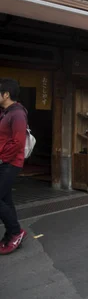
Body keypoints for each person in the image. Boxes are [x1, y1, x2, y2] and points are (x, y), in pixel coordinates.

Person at [0, 79, 28, 255]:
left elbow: (18, 142)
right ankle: (11, 233)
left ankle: (16, 231)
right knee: (6, 200)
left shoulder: (17, 114)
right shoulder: (5, 112)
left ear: (6, 94)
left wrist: (2, 158)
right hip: (4, 162)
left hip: (10, 163)